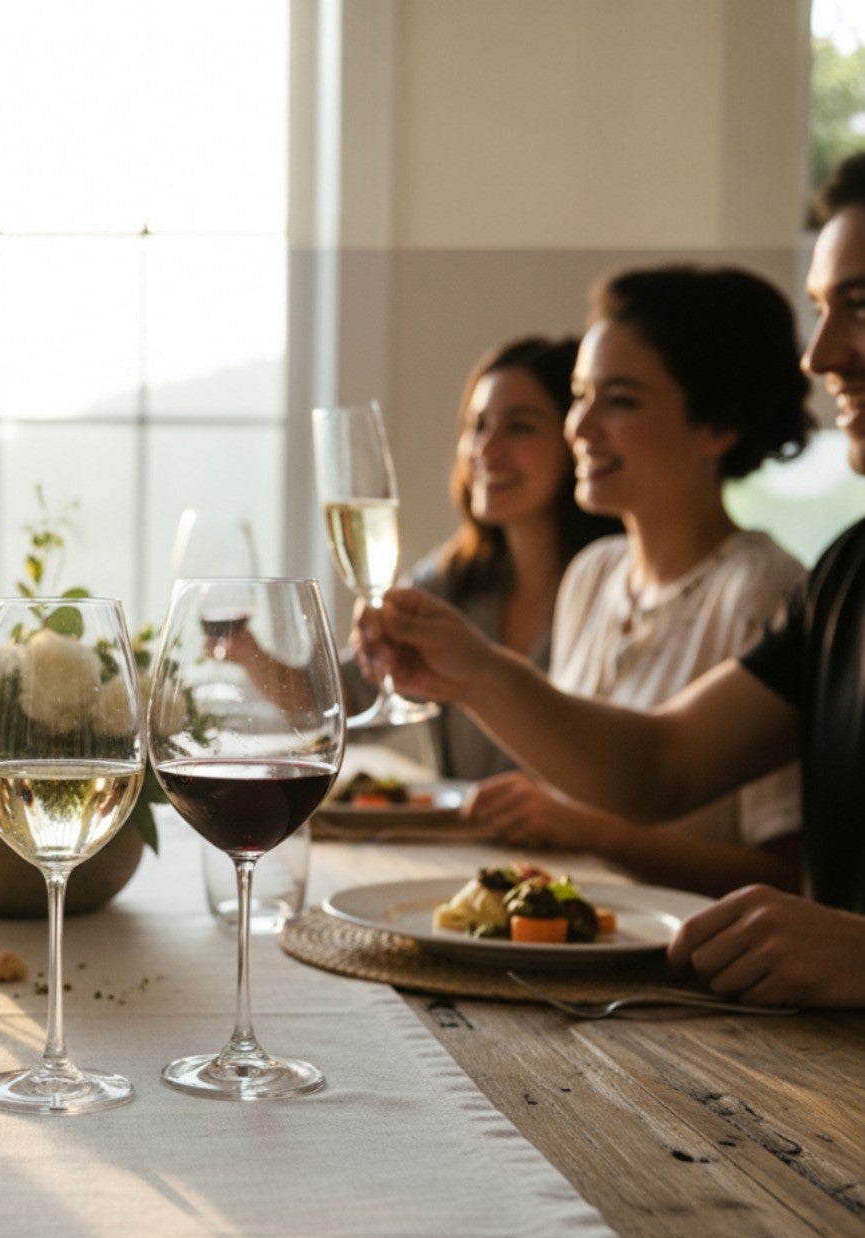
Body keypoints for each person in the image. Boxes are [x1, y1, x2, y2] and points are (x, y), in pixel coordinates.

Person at [355, 151, 865, 1007]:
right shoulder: (848, 574)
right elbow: (659, 765)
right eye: (819, 311)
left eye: (857, 307)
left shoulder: (767, 580)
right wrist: (476, 670)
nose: (820, 356)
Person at [462, 265, 812, 899]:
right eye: (578, 395)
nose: (580, 427)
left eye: (619, 400)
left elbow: (787, 880)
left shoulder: (764, 593)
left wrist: (591, 831)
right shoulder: (594, 575)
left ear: (719, 425)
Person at [387, 336, 620, 780]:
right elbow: (343, 699)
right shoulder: (452, 580)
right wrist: (245, 646)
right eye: (477, 426)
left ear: (575, 438)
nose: (486, 450)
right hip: (467, 850)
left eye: (520, 427)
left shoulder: (613, 585)